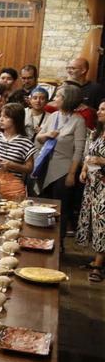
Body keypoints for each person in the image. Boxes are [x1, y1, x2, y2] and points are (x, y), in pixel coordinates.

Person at [36, 85, 87, 241]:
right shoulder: (53, 116)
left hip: (64, 170)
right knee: (42, 205)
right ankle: (40, 238)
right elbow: (39, 138)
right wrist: (47, 135)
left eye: (58, 96)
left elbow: (79, 150)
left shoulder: (78, 121)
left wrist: (71, 174)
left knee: (60, 208)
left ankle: (58, 243)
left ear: (67, 99)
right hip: (45, 165)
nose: (54, 99)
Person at [0, 103, 35, 200]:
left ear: (16, 119)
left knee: (13, 212)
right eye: (1, 116)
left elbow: (29, 168)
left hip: (14, 186)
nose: (1, 119)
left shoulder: (26, 142)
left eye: (6, 117)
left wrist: (13, 165)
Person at [77, 101, 105, 282]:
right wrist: (84, 170)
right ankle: (96, 258)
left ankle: (98, 264)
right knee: (93, 220)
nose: (99, 111)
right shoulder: (98, 132)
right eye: (100, 108)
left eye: (103, 109)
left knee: (103, 222)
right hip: (92, 184)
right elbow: (88, 156)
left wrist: (101, 161)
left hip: (104, 185)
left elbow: (99, 158)